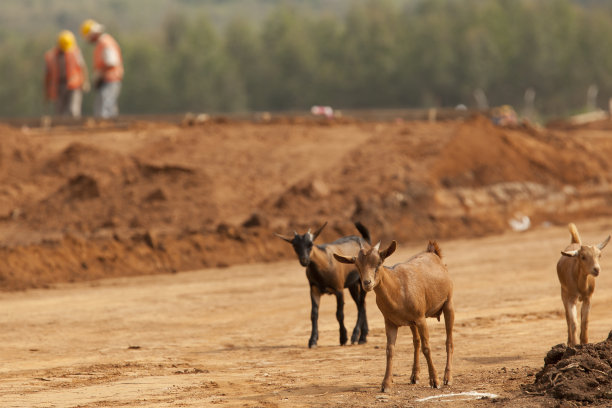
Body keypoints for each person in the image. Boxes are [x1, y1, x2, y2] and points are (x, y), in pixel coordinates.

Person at [80, 19, 124, 118]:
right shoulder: (102, 43)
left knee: (106, 107)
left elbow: (111, 62)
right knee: (105, 106)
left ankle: (107, 130)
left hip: (111, 79)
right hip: (106, 80)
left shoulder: (105, 43)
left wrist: (99, 74)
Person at [44, 30, 89, 117]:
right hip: (58, 86)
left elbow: (83, 68)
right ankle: (61, 129)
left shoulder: (76, 52)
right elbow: (47, 75)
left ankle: (75, 129)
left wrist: (85, 82)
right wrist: (47, 91)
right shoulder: (51, 56)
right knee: (60, 110)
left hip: (74, 85)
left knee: (73, 110)